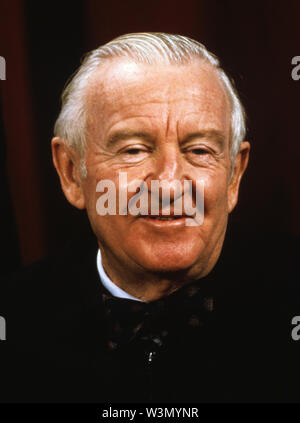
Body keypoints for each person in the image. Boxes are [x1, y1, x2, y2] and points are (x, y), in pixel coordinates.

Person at [0, 32, 299, 403]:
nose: (170, 184)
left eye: (200, 150)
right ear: (72, 171)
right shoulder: (13, 323)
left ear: (234, 176)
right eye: (135, 150)